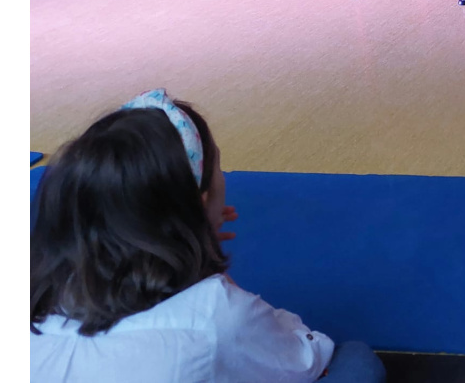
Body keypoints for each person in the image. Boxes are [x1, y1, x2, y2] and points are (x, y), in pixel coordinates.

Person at [30, 88, 385, 383]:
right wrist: (212, 271)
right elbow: (305, 358)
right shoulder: (217, 313)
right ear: (201, 204)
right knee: (356, 361)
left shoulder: (37, 288)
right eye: (218, 167)